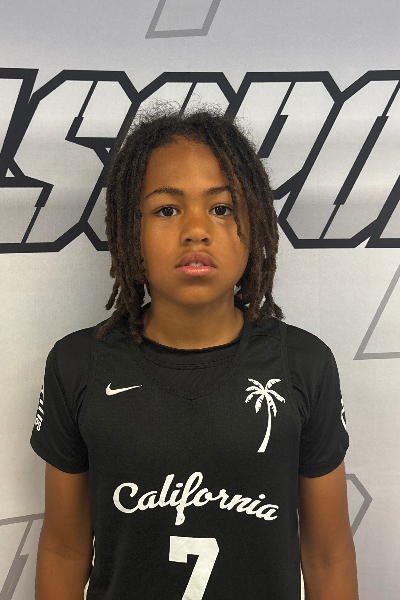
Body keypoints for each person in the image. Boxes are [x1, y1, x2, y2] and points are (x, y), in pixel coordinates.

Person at [30, 108, 358, 599]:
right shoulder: (78, 364)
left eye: (222, 208)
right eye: (167, 209)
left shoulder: (304, 364)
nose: (196, 230)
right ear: (129, 229)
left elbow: (327, 555)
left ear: (255, 224)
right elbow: (64, 549)